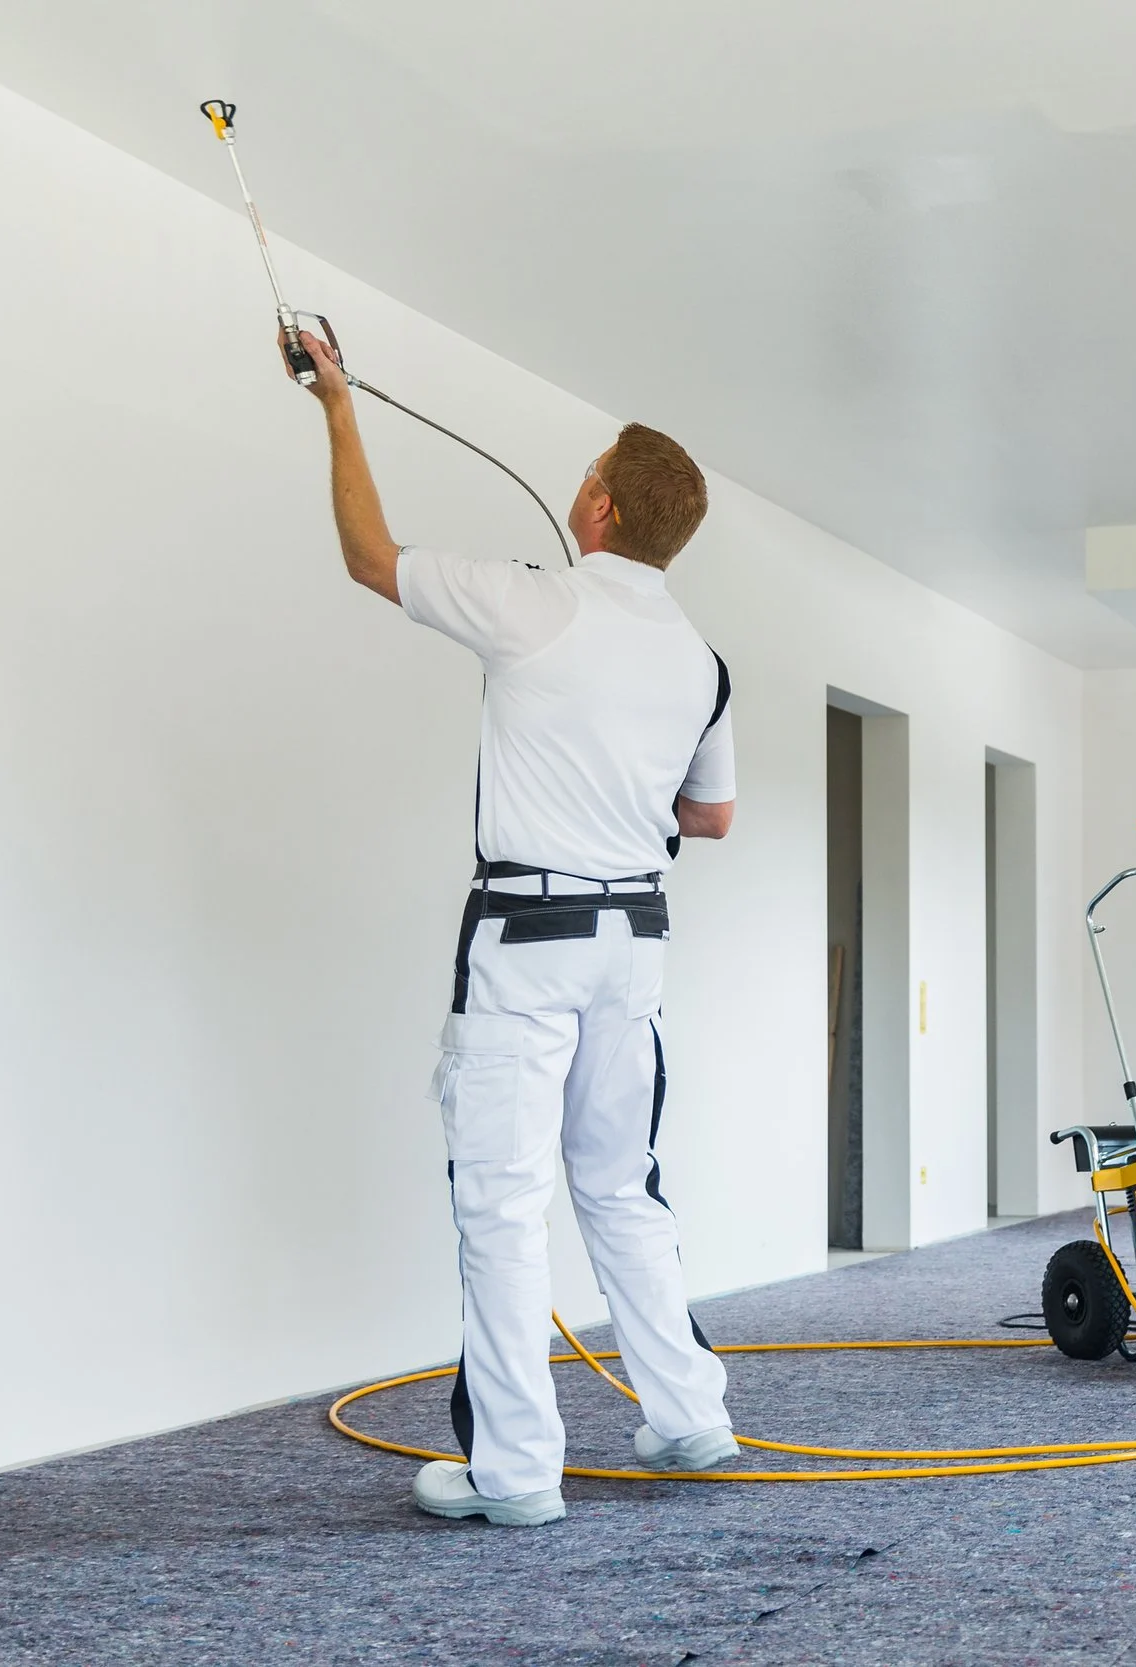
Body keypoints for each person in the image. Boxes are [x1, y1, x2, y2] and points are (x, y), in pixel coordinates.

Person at [291, 332, 740, 1525]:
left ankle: (516, 1471)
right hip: (634, 944)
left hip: (529, 938)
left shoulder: (535, 602)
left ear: (598, 505)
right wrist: (622, 796)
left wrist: (337, 404)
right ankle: (689, 1414)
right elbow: (712, 815)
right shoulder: (702, 662)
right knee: (622, 1184)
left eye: (587, 473)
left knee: (501, 1204)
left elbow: (370, 557)